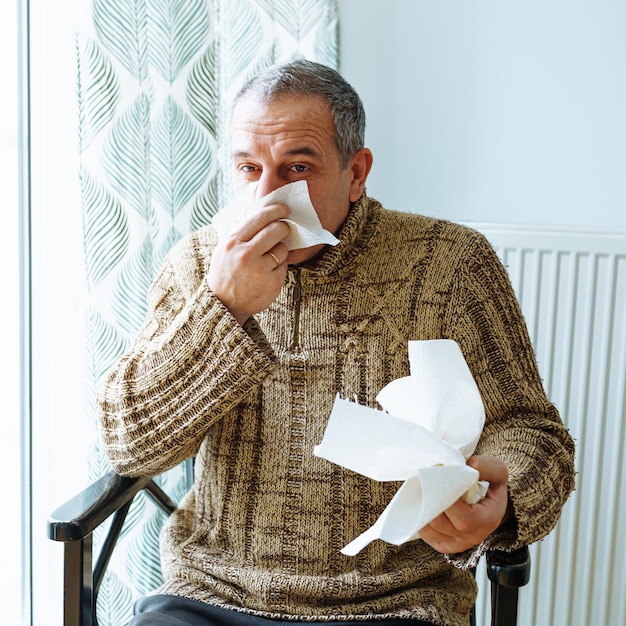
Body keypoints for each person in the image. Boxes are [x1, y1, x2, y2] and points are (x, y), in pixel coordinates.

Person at [97, 60, 575, 626]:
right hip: (212, 597)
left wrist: (503, 500)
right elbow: (127, 443)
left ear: (356, 172)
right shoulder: (199, 265)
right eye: (250, 169)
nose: (268, 197)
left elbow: (533, 431)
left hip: (396, 603)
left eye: (296, 167)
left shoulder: (451, 263)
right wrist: (222, 309)